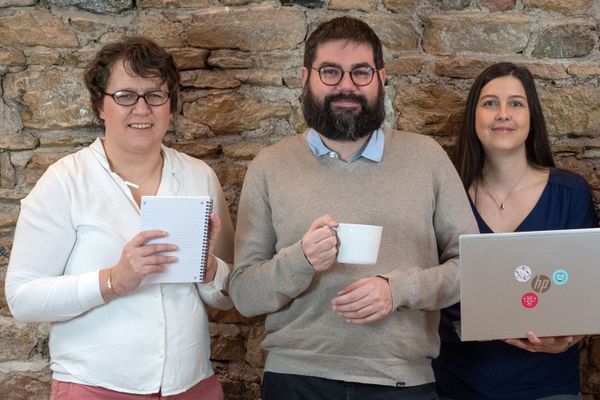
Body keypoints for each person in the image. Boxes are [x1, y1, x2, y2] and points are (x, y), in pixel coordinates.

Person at [228, 16, 478, 400]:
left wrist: (397, 290)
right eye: (330, 71)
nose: (346, 85)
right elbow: (244, 294)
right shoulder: (270, 165)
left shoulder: (426, 157)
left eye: (361, 72)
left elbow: (473, 268)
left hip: (402, 380)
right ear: (304, 77)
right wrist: (301, 261)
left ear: (382, 77)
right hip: (297, 378)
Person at [5, 37, 234, 400]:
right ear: (100, 105)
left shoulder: (199, 176)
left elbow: (227, 295)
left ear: (169, 104)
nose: (142, 109)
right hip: (94, 386)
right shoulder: (65, 181)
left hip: (191, 384)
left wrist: (209, 271)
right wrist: (113, 279)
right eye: (126, 95)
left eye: (155, 95)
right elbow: (22, 298)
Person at [433, 62, 598, 400]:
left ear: (531, 116)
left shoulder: (570, 193)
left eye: (516, 103)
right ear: (473, 117)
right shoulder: (445, 193)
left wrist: (567, 339)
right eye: (490, 103)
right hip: (457, 385)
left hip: (547, 386)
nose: (503, 114)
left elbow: (588, 294)